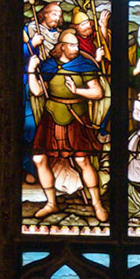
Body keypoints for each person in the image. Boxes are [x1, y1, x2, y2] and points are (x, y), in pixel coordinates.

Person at [28, 30, 107, 221]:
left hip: (75, 116)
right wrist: (31, 68)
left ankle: (97, 204)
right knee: (39, 159)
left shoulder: (84, 65)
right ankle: (51, 203)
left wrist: (77, 90)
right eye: (72, 45)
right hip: (51, 115)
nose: (77, 48)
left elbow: (98, 93)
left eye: (78, 45)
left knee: (82, 161)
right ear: (61, 46)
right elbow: (37, 91)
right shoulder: (48, 66)